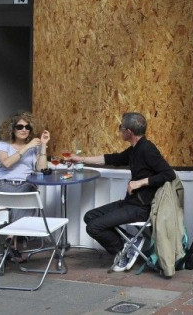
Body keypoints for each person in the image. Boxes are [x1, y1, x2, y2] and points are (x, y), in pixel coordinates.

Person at [70, 112, 175, 272]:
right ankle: (131, 242)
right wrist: (81, 160)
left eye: (121, 128)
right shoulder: (135, 149)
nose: (120, 131)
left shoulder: (147, 149)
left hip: (141, 208)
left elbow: (168, 174)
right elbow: (113, 159)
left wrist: (140, 182)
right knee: (89, 216)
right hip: (130, 203)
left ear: (129, 132)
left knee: (93, 227)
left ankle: (124, 248)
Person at [0, 111, 49, 262]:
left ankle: (11, 242)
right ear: (12, 129)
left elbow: (41, 169)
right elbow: (7, 163)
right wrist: (27, 147)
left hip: (25, 186)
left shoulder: (34, 148)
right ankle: (17, 240)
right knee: (27, 197)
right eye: (20, 126)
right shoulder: (2, 145)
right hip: (4, 185)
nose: (24, 129)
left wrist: (43, 146)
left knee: (28, 193)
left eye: (27, 127)